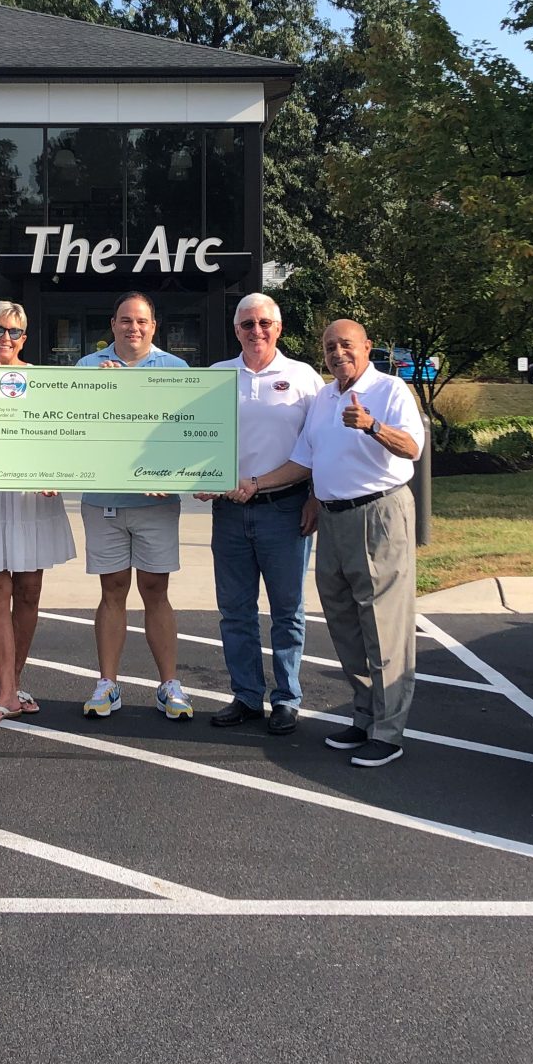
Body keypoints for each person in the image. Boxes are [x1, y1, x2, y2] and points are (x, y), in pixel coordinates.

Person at [236, 319, 426, 767]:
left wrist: (372, 425)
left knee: (384, 625)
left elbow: (413, 447)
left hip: (379, 514)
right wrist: (253, 483)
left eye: (346, 345)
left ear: (367, 347)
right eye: (329, 347)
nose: (338, 353)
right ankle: (363, 717)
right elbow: (302, 460)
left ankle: (388, 731)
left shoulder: (391, 390)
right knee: (344, 622)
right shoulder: (324, 397)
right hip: (332, 518)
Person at [202, 293, 322, 735]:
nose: (257, 331)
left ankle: (287, 698)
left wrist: (314, 497)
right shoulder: (217, 377)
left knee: (288, 610)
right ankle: (247, 696)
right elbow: (193, 440)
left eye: (264, 323)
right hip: (229, 511)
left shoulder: (304, 377)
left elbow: (318, 445)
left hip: (285, 510)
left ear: (279, 327)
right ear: (236, 330)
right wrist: (196, 478)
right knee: (235, 610)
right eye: (248, 324)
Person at [0, 300, 77, 726]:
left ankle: (13, 684)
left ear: (24, 338)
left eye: (13, 331)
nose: (5, 337)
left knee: (28, 592)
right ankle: (5, 690)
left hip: (31, 497)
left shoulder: (41, 379)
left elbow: (60, 437)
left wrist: (57, 472)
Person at [75, 291, 193, 719]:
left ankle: (169, 685)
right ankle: (108, 684)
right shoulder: (88, 368)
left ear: (154, 326)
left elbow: (186, 432)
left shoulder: (175, 369)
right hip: (103, 501)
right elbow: (70, 428)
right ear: (113, 325)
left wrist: (178, 475)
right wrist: (100, 392)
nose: (134, 328)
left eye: (141, 321)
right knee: (112, 591)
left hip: (155, 504)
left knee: (156, 591)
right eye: (126, 320)